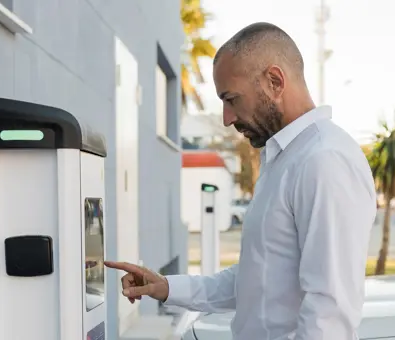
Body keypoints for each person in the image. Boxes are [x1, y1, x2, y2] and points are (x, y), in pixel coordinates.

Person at [105, 22, 377, 340]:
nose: (226, 118)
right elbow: (257, 281)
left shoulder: (324, 160)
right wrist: (166, 287)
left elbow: (330, 315)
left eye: (231, 99)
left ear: (275, 81)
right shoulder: (286, 158)